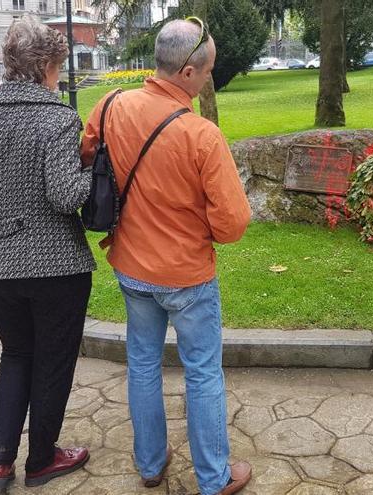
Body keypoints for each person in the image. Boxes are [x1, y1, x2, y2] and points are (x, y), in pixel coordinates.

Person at [80, 17, 252, 495]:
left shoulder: (110, 104)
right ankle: (214, 479)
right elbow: (233, 225)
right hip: (187, 275)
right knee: (201, 372)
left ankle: (151, 465)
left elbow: (86, 154)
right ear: (188, 73)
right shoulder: (201, 135)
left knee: (141, 363)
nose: (207, 80)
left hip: (132, 267)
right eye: (208, 71)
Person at [0, 15, 94, 490]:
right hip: (54, 265)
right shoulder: (58, 118)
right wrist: (92, 166)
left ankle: (0, 461)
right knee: (53, 360)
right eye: (58, 65)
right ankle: (41, 459)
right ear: (43, 66)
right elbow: (65, 196)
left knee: (16, 353)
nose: (60, 74)